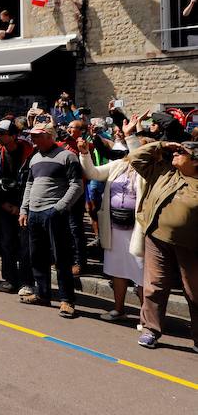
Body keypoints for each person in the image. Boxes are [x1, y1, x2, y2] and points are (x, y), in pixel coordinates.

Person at [128, 140, 198, 351]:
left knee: (194, 292)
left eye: (181, 153)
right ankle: (151, 330)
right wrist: (160, 145)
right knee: (154, 286)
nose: (176, 154)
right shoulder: (163, 172)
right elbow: (135, 158)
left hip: (191, 246)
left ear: (195, 161)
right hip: (156, 239)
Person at [77, 126, 145, 323]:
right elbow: (93, 173)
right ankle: (118, 309)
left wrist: (131, 135)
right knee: (118, 270)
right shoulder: (118, 165)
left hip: (135, 229)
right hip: (115, 227)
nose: (124, 154)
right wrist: (84, 153)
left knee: (140, 272)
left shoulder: (145, 169)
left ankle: (145, 317)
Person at [19, 122, 84, 318]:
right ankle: (43, 294)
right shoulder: (35, 158)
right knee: (37, 256)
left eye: (37, 136)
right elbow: (29, 185)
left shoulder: (67, 156)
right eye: (32, 136)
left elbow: (77, 186)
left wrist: (59, 207)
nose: (33, 139)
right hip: (35, 213)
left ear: (49, 136)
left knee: (61, 258)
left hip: (53, 213)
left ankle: (66, 300)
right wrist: (24, 209)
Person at [0, 120, 35, 294]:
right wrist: (3, 203)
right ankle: (9, 279)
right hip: (4, 204)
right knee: (7, 242)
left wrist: (22, 207)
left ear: (13, 136)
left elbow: (33, 182)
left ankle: (26, 281)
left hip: (25, 204)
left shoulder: (30, 152)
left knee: (26, 245)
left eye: (2, 133)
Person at [61, 119, 91, 276]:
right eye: (69, 127)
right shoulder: (62, 143)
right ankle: (66, 258)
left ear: (81, 131)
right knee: (63, 227)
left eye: (73, 128)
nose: (69, 130)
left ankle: (80, 261)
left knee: (75, 227)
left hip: (77, 191)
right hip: (62, 191)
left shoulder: (84, 145)